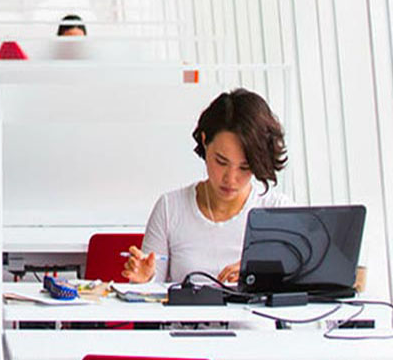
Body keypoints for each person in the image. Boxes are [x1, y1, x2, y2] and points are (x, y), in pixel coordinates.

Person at [122, 88, 291, 284]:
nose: (231, 178)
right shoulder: (171, 208)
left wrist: (261, 272)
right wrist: (144, 280)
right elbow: (149, 301)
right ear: (205, 141)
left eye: (245, 167)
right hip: (186, 316)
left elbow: (304, 289)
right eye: (221, 161)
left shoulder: (278, 212)